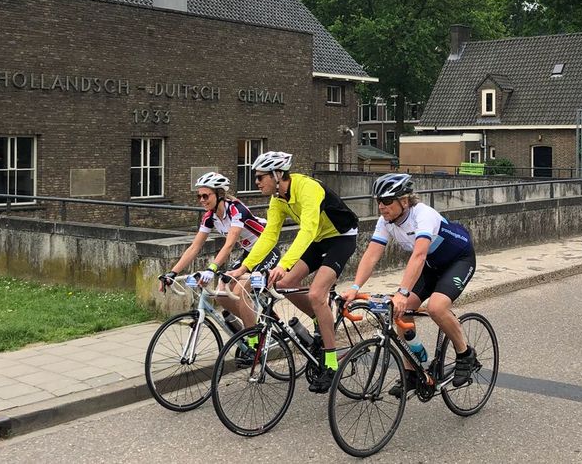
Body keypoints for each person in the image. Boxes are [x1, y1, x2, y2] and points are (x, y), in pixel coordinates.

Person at [226, 151, 360, 393]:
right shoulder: (278, 199)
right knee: (284, 285)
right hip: (319, 240)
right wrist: (244, 267)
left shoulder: (307, 188)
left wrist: (284, 264)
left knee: (318, 294)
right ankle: (322, 321)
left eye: (260, 177)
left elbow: (307, 230)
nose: (256, 182)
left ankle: (330, 364)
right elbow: (269, 235)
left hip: (341, 238)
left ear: (278, 175)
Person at [340, 173, 477, 396]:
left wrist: (402, 292)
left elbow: (419, 255)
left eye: (386, 201)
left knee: (436, 307)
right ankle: (412, 371)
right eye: (378, 202)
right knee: (399, 312)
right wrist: (355, 288)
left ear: (404, 201)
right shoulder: (386, 222)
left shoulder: (423, 215)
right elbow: (372, 255)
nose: (381, 207)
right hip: (431, 266)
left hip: (458, 260)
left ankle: (465, 354)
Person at [160, 173, 280, 361]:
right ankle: (254, 326)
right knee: (221, 294)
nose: (201, 200)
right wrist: (172, 272)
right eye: (198, 196)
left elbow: (229, 244)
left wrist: (212, 268)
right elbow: (195, 246)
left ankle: (254, 342)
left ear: (219, 195)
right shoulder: (209, 217)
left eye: (205, 196)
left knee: (241, 291)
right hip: (249, 253)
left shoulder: (236, 210)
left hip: (267, 250)